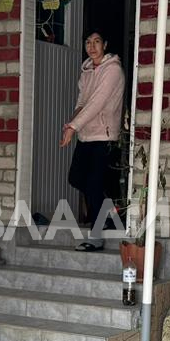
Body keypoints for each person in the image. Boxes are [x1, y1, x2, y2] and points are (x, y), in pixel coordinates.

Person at [61, 30, 125, 251]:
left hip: (104, 136)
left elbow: (97, 102)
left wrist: (73, 127)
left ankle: (96, 236)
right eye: (88, 42)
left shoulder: (113, 70)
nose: (92, 46)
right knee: (76, 178)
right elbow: (82, 102)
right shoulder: (87, 71)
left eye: (97, 41)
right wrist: (71, 123)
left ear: (105, 44)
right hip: (86, 134)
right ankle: (111, 214)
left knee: (94, 185)